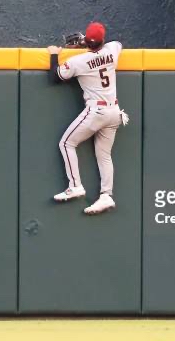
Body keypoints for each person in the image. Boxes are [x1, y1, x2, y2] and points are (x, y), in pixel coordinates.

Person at [47, 22, 128, 215]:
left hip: (96, 111)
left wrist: (53, 54)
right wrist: (88, 42)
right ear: (102, 40)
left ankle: (75, 186)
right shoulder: (112, 50)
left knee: (66, 143)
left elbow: (55, 77)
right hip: (114, 112)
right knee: (104, 155)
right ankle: (106, 195)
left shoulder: (79, 61)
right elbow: (117, 43)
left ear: (87, 42)